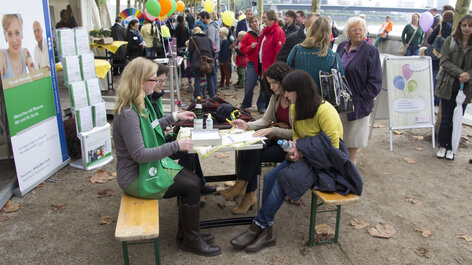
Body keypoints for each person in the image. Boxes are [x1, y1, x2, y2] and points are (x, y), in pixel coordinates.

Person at [230, 70, 361, 252]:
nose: (284, 94)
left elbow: (332, 150)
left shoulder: (325, 111)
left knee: (284, 179)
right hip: (307, 156)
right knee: (269, 179)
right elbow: (298, 136)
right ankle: (267, 231)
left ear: (299, 91)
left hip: (326, 163)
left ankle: (258, 226)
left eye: (288, 91)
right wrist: (295, 149)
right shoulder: (295, 107)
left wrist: (301, 150)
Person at [113, 57, 221, 256]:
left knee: (194, 181)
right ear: (140, 81)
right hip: (135, 177)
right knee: (190, 185)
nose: (157, 83)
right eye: (154, 79)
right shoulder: (129, 113)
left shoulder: (140, 102)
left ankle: (188, 234)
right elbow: (139, 155)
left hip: (147, 168)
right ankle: (191, 238)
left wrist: (175, 117)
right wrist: (176, 145)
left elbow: (153, 126)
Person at [220, 62, 293, 214]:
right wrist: (247, 125)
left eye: (274, 83)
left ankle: (244, 189)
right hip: (276, 139)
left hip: (291, 146)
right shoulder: (276, 98)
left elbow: (297, 133)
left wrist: (272, 129)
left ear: (284, 80)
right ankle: (246, 191)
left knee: (254, 152)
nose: (271, 87)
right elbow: (265, 121)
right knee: (251, 146)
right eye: (269, 83)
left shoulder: (294, 100)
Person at [336, 17, 382, 164]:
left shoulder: (371, 51)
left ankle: (350, 171)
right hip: (340, 101)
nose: (358, 33)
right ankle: (340, 167)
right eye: (354, 30)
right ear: (348, 32)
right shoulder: (341, 46)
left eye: (361, 30)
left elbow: (375, 81)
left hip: (358, 103)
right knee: (339, 137)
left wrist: (362, 100)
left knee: (353, 141)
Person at [435, 14, 472, 160]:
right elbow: (444, 60)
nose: (467, 28)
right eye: (464, 25)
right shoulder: (451, 41)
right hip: (448, 85)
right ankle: (442, 145)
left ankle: (451, 147)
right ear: (459, 26)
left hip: (466, 88)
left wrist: (468, 75)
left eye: (470, 25)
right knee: (446, 118)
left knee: (458, 118)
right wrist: (460, 73)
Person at [287, 16, 343, 94]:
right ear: (328, 34)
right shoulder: (333, 57)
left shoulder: (296, 50)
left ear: (311, 30)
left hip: (298, 99)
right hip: (323, 103)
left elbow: (287, 73)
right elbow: (340, 83)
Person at [257, 9, 286, 112]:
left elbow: (278, 52)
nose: (263, 19)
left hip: (270, 66)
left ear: (271, 18)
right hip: (262, 64)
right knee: (264, 87)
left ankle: (269, 109)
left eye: (264, 17)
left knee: (269, 89)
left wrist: (274, 69)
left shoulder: (278, 32)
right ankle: (264, 107)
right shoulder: (265, 31)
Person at [428, 10, 454, 106]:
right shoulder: (455, 28)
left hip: (437, 54)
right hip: (449, 57)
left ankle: (433, 98)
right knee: (443, 78)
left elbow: (429, 40)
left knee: (434, 76)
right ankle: (439, 100)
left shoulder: (441, 26)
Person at [240, 16, 264, 111]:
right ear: (250, 24)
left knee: (264, 85)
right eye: (252, 22)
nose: (255, 23)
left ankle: (262, 105)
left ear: (259, 21)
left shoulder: (264, 33)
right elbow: (242, 50)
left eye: (256, 21)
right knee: (249, 84)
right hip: (252, 63)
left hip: (263, 62)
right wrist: (250, 47)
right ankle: (246, 104)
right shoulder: (247, 35)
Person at [0, 14, 34, 80]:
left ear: (22, 33)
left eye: (17, 33)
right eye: (9, 34)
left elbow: (36, 78)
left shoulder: (25, 52)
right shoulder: (1, 56)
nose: (14, 40)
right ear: (5, 36)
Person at [188, 26, 215, 99]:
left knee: (197, 78)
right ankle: (212, 96)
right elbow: (212, 51)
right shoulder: (208, 39)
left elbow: (190, 50)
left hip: (197, 61)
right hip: (208, 60)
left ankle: (196, 96)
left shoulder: (192, 39)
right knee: (210, 78)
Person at [201, 11, 219, 97]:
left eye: (201, 18)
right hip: (213, 52)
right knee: (213, 73)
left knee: (211, 73)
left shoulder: (211, 28)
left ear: (205, 17)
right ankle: (213, 91)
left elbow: (210, 41)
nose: (200, 21)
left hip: (211, 53)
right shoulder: (212, 26)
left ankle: (213, 92)